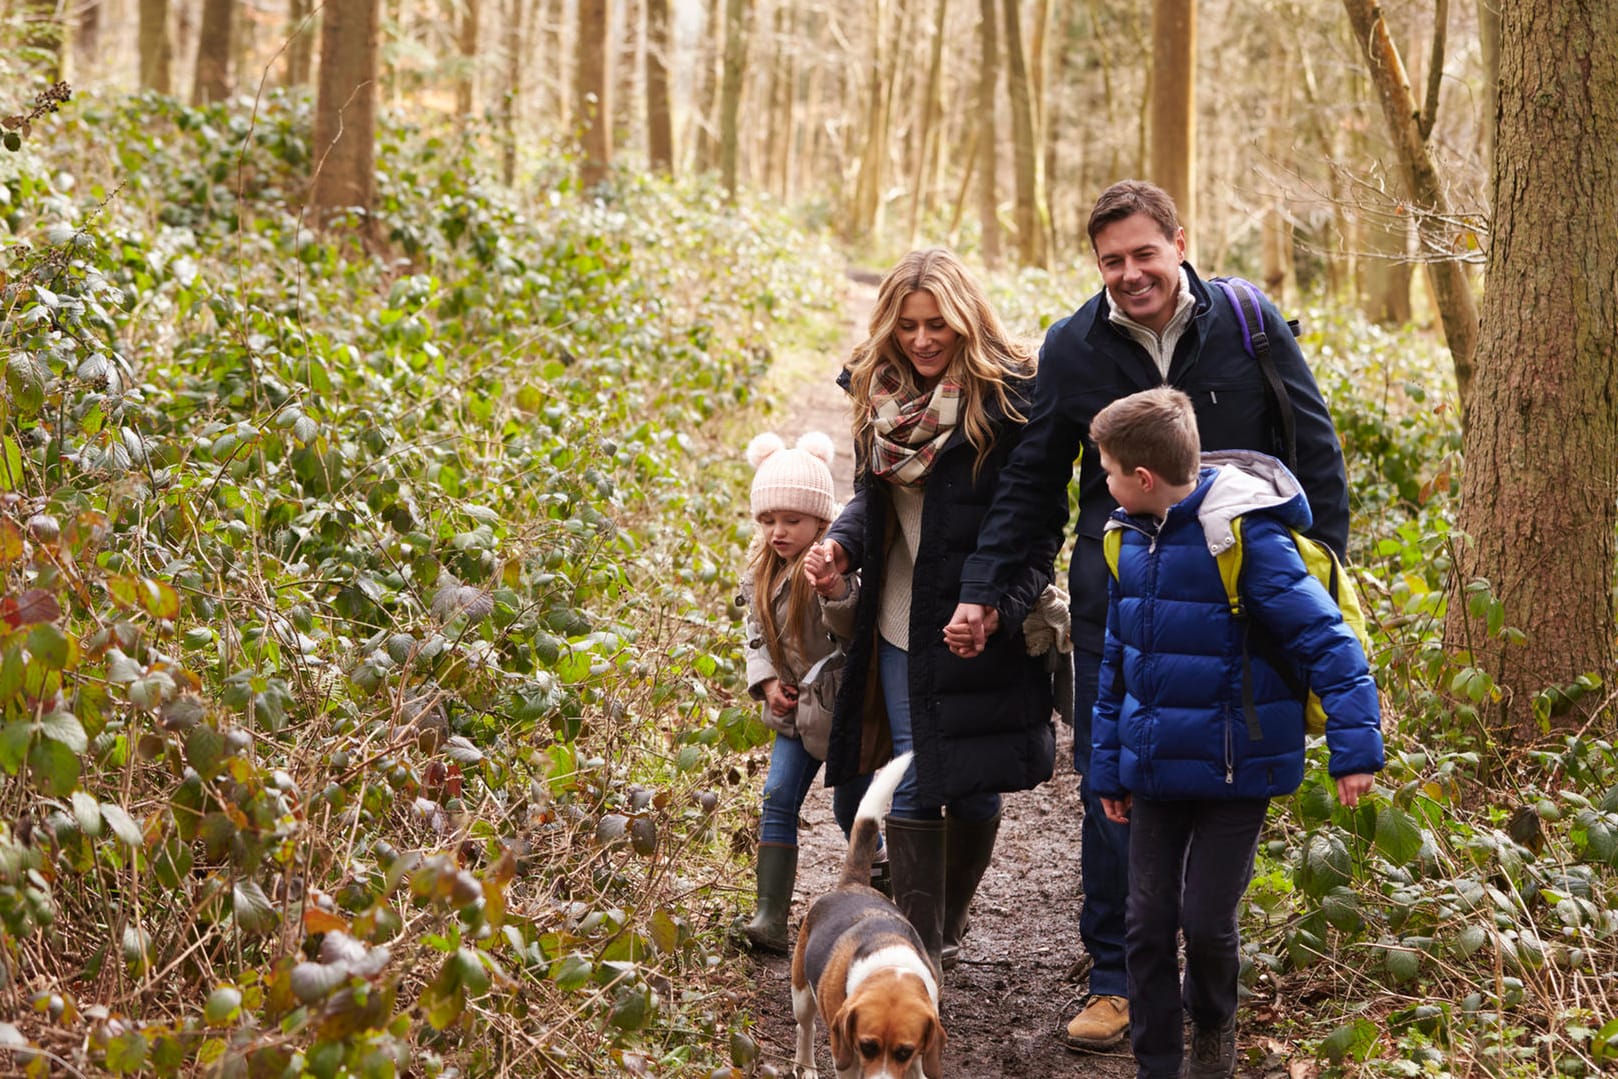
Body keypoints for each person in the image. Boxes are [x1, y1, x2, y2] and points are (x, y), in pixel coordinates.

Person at [944, 180, 1351, 1050]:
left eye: (1144, 255)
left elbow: (1313, 450)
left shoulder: (1248, 325)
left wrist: (1326, 576)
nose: (1130, 275)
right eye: (1111, 262)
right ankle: (1116, 981)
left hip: (1238, 609)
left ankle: (1210, 976)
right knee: (1112, 782)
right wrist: (986, 585)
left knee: (1225, 773)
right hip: (1117, 607)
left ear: (1179, 243)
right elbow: (1033, 484)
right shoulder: (1075, 347)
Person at [1084, 386, 1383, 1079]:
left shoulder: (1247, 538)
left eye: (1106, 470)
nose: (1103, 482)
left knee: (1206, 919)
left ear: (1144, 478)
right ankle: (1157, 1064)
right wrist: (1108, 768)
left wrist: (1354, 748)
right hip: (1156, 770)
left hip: (1234, 767)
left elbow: (1328, 641)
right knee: (1146, 923)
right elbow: (1116, 668)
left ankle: (1214, 1026)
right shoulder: (1125, 536)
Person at [803, 247, 1058, 973]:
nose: (921, 340)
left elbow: (1038, 534)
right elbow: (869, 500)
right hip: (895, 618)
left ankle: (948, 913)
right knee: (911, 775)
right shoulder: (875, 395)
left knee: (972, 785)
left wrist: (998, 610)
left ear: (965, 320)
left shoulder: (1008, 401)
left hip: (980, 621)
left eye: (937, 324)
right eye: (908, 325)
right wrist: (841, 550)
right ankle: (917, 952)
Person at [737, 430, 872, 954]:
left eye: (792, 520)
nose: (778, 531)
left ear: (822, 520)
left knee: (851, 811)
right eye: (768, 520)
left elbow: (851, 626)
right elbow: (755, 633)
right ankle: (770, 915)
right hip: (794, 715)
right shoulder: (760, 571)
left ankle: (877, 889)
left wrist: (833, 590)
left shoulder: (832, 565)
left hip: (840, 711)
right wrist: (767, 680)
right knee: (777, 797)